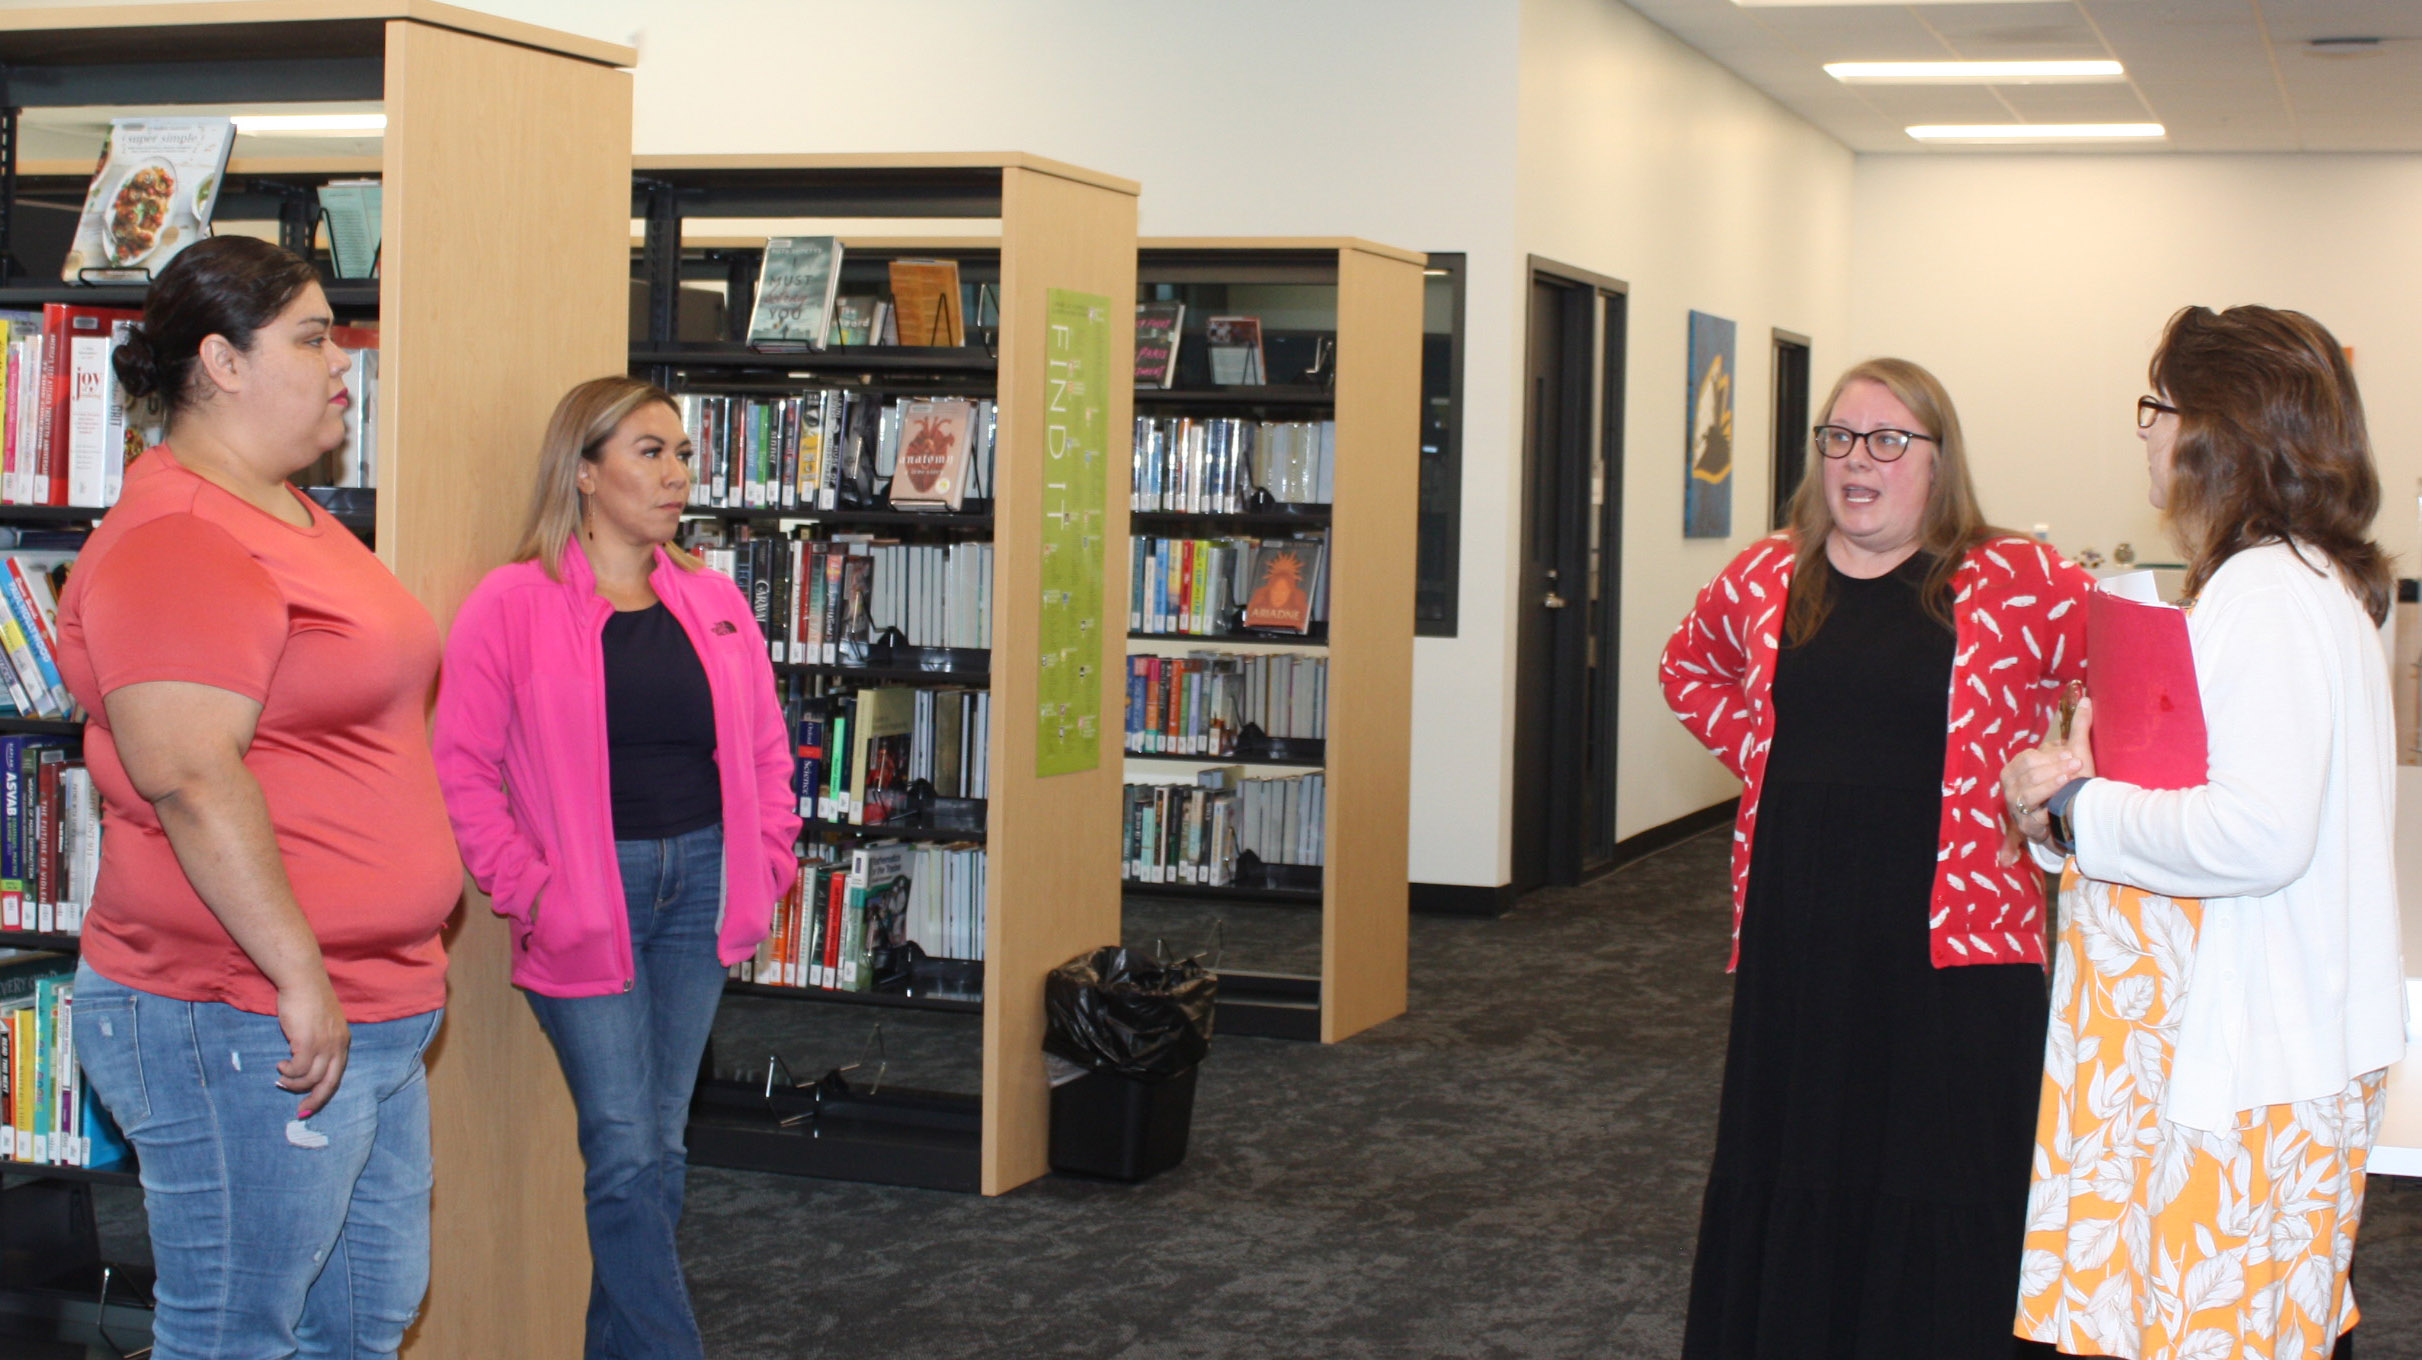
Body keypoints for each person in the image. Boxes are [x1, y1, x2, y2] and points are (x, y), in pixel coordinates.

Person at [57, 236, 462, 1358]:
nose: (345, 360)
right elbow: (188, 775)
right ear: (222, 363)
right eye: (315, 335)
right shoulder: (184, 532)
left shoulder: (285, 510)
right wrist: (298, 973)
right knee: (240, 1329)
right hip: (237, 1009)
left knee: (360, 1318)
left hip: (357, 1004)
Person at [1660, 357, 2094, 1358]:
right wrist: (1765, 756)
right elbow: (1689, 665)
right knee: (1803, 1145)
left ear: (1938, 462)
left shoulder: (2018, 576)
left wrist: (2065, 774)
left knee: (1945, 1158)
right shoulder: (1769, 571)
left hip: (1956, 933)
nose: (1859, 460)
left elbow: (2110, 671)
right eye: (1839, 438)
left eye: (1888, 440)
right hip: (1798, 918)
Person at [2003, 306, 2405, 1360]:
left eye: (2158, 408)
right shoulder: (2308, 584)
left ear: (2214, 432)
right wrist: (2076, 803)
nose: (2142, 432)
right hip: (2258, 1043)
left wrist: (2077, 808)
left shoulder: (2266, 594)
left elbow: (2256, 833)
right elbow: (2209, 797)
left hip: (2242, 1060)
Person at [431, 375, 801, 1360]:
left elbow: (766, 750)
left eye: (681, 452)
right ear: (584, 472)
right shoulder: (511, 604)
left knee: (659, 1152)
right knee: (627, 1151)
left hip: (703, 891)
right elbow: (462, 768)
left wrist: (766, 858)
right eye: (651, 451)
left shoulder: (713, 600)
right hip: (585, 905)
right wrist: (528, 888)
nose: (678, 472)